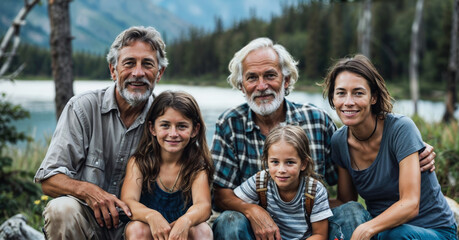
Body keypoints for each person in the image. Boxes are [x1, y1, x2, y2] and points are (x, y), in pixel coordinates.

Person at [210, 37, 437, 240]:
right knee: (230, 221)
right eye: (252, 78)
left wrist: (415, 148)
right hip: (258, 230)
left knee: (351, 211)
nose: (262, 86)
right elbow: (220, 194)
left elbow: (347, 184)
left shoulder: (317, 120)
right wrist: (253, 211)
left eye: (270, 75)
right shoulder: (229, 124)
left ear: (286, 80)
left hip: (314, 227)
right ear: (242, 86)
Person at [34, 26, 168, 239]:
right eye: (129, 63)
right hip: (88, 225)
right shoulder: (82, 108)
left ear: (159, 73)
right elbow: (49, 179)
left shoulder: (167, 118)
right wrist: (89, 191)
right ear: (113, 70)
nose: (138, 73)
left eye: (148, 64)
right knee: (61, 209)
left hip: (139, 227)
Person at [322, 54, 457, 240]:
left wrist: (367, 229)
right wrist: (303, 205)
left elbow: (410, 204)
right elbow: (347, 202)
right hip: (382, 232)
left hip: (433, 231)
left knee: (395, 235)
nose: (348, 102)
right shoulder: (339, 141)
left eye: (358, 93)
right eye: (341, 93)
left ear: (373, 98)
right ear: (332, 98)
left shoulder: (400, 129)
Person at [120, 90, 214, 240]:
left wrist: (186, 220)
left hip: (182, 234)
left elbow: (203, 205)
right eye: (165, 125)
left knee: (202, 230)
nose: (173, 133)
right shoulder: (139, 162)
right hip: (149, 232)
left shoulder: (197, 166)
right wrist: (151, 215)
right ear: (152, 128)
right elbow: (128, 201)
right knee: (137, 229)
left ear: (195, 130)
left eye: (182, 126)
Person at [234, 125, 332, 240]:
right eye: (275, 162)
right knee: (230, 218)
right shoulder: (261, 181)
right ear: (266, 161)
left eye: (290, 162)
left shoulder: (315, 191)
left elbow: (320, 235)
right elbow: (234, 200)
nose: (281, 170)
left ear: (303, 164)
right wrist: (253, 210)